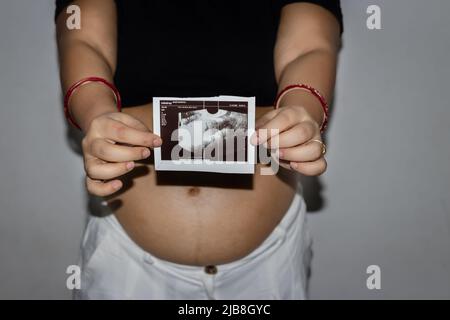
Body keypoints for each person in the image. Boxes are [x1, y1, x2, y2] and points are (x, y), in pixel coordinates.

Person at [55, 0, 343, 299]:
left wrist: (302, 109)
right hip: (125, 261)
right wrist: (96, 114)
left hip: (270, 261)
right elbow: (85, 41)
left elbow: (309, 48)